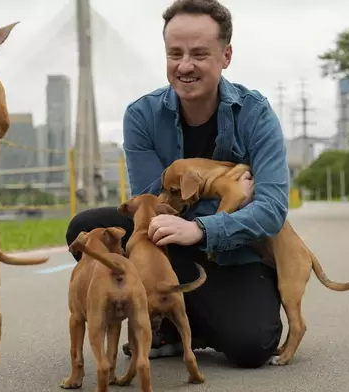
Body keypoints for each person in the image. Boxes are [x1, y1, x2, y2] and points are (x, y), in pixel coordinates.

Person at [65, 0, 290, 369]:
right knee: (86, 228)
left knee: (252, 345)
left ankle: (183, 318)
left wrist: (201, 228)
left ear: (226, 55)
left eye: (200, 54)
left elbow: (272, 211)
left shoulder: (256, 114)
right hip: (166, 244)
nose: (185, 66)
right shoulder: (141, 115)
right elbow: (148, 203)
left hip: (234, 252)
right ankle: (161, 316)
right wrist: (232, 196)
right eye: (175, 53)